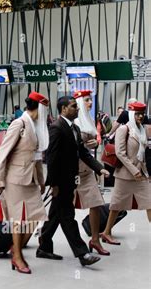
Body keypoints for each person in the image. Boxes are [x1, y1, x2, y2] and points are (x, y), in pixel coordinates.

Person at [37, 95, 110, 267]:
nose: (77, 109)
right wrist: (53, 184)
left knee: (55, 215)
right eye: (73, 106)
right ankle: (82, 253)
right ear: (63, 109)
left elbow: (83, 153)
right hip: (61, 182)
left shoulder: (75, 128)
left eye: (77, 106)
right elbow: (51, 158)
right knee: (68, 217)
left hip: (71, 180)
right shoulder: (56, 127)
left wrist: (99, 168)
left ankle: (44, 246)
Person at [0, 92, 49, 274]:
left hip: (31, 178)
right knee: (18, 219)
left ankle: (16, 249)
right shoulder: (19, 124)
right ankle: (17, 256)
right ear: (39, 108)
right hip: (15, 179)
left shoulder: (35, 126)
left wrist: (41, 180)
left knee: (36, 217)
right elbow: (3, 152)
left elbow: (38, 156)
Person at [101, 101, 151, 244]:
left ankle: (106, 232)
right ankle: (106, 232)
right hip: (125, 175)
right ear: (131, 114)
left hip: (141, 174)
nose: (140, 117)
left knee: (149, 202)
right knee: (117, 205)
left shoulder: (141, 129)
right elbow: (120, 153)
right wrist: (134, 170)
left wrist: (144, 171)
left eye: (142, 114)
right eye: (137, 114)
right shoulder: (124, 129)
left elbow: (143, 153)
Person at [73, 90, 110, 255]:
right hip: (72, 172)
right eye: (87, 100)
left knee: (96, 203)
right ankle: (45, 236)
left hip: (87, 171)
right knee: (61, 210)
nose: (90, 103)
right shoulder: (72, 123)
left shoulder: (88, 119)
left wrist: (94, 144)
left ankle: (95, 240)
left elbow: (89, 145)